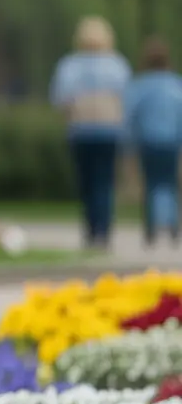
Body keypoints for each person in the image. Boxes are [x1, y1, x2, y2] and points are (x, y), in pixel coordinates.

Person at [49, 16, 131, 248]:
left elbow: (59, 98)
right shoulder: (117, 65)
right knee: (104, 181)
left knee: (86, 182)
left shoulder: (70, 65)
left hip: (81, 130)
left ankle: (91, 228)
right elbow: (127, 98)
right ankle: (103, 229)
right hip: (110, 130)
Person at [124, 37, 182, 245]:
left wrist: (128, 145)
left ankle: (150, 229)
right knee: (171, 183)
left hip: (148, 141)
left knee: (150, 184)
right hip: (171, 141)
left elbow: (131, 115)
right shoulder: (176, 84)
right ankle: (173, 226)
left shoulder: (140, 86)